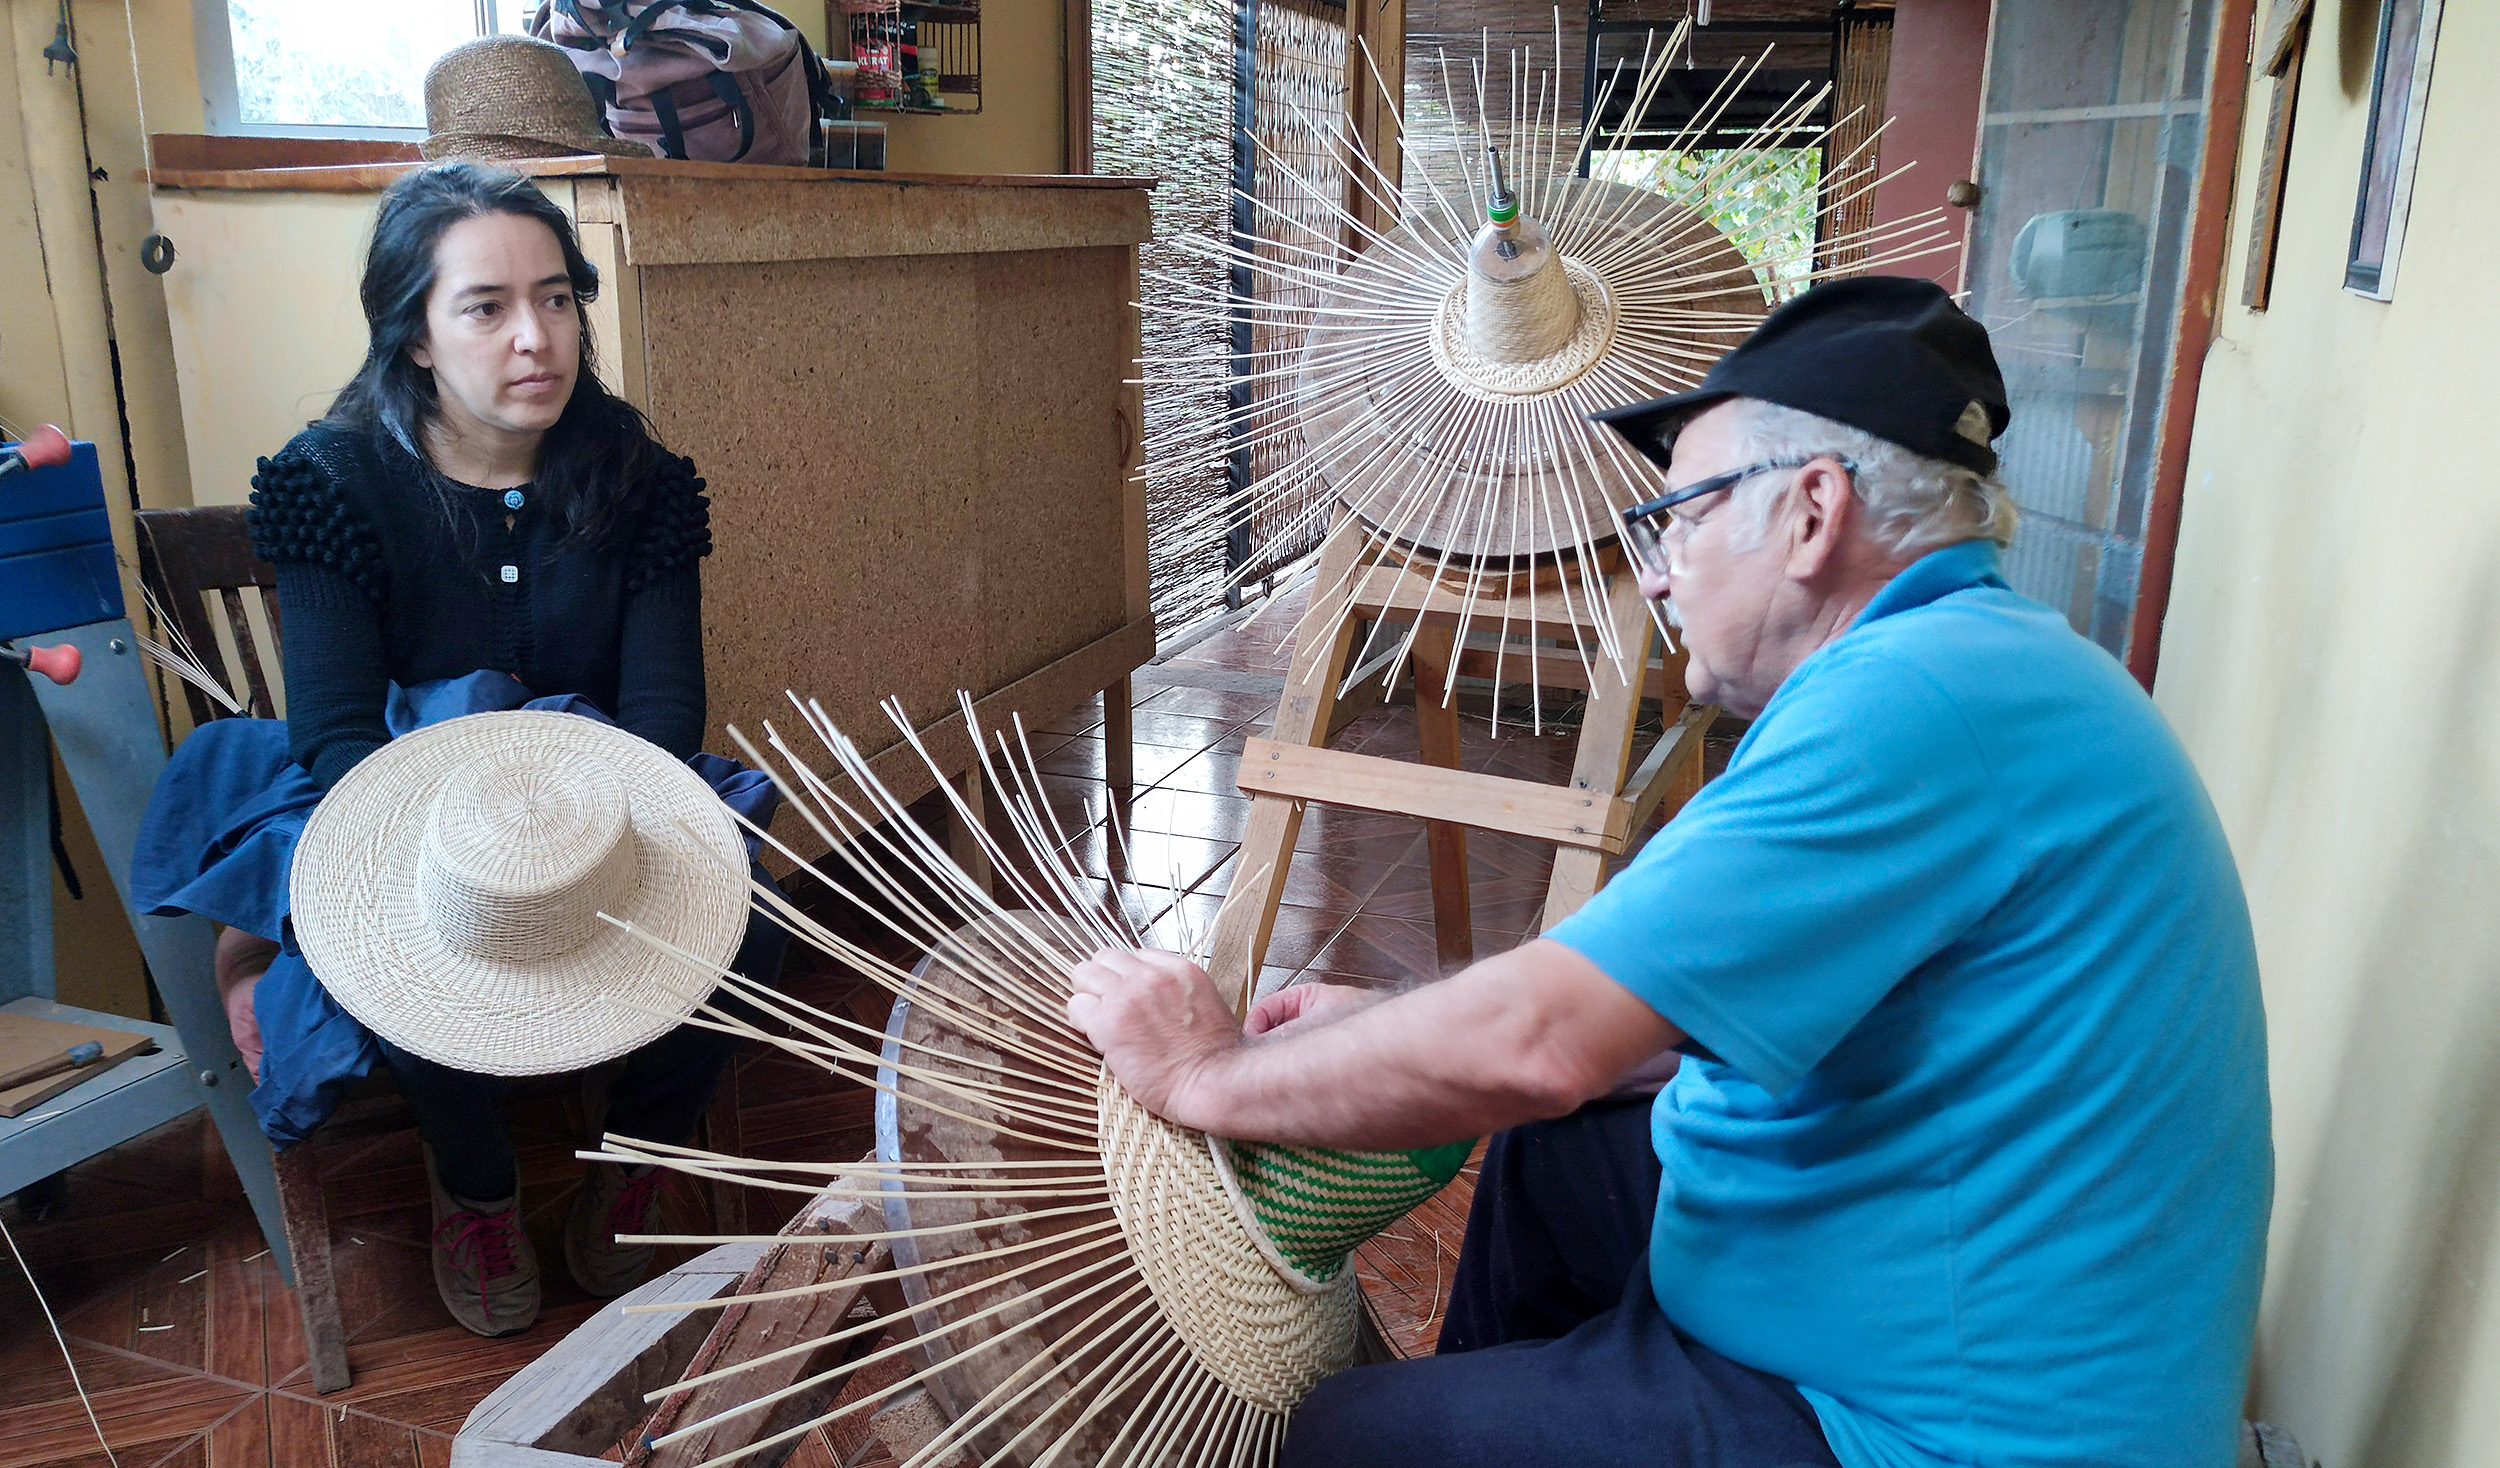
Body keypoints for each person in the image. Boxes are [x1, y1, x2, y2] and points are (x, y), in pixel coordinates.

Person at [1063, 277, 2273, 1468]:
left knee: (1351, 1436)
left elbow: (1540, 1041)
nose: (1655, 572)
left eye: (1681, 515)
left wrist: (1208, 1073)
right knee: (1563, 1144)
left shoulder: (1913, 703)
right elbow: (1646, 1018)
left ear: (1812, 513)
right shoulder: (1974, 664)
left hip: (1938, 1431)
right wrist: (1393, 1016)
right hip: (1930, 1291)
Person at [133, 162, 787, 1338]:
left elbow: (661, 719)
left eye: (556, 298)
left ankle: (635, 1158)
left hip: (595, 794)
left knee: (752, 935)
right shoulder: (332, 479)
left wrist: (577, 851)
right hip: (395, 792)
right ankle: (475, 1188)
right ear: (417, 336)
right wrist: (472, 864)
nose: (535, 337)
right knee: (415, 949)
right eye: (486, 307)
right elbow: (335, 732)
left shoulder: (638, 479)